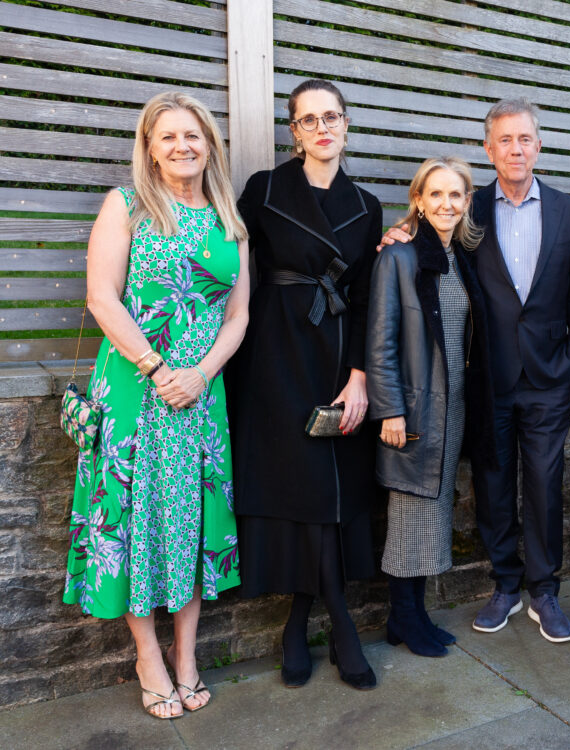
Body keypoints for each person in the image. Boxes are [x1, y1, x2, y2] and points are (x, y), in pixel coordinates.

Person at [380, 98, 570, 643]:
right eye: (505, 140)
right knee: (492, 484)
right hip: (488, 376)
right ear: (489, 148)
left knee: (545, 484)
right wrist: (398, 231)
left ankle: (544, 590)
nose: (515, 149)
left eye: (524, 139)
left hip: (548, 376)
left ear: (538, 145)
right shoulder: (468, 208)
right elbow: (431, 238)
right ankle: (505, 584)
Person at [63, 92, 249, 718]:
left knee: (191, 521)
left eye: (193, 135)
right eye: (167, 136)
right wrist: (159, 369)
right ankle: (148, 656)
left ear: (210, 146)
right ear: (149, 147)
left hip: (201, 395)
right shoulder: (127, 205)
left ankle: (186, 656)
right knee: (133, 517)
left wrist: (200, 374)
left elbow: (239, 315)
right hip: (134, 389)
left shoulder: (230, 219)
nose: (182, 146)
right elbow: (101, 297)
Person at [226, 79, 382, 690]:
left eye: (331, 117)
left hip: (337, 357)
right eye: (309, 119)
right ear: (294, 131)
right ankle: (339, 623)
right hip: (273, 357)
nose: (322, 128)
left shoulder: (367, 204)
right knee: (298, 486)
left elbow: (368, 295)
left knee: (329, 490)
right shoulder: (264, 189)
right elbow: (228, 261)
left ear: (346, 125)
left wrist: (360, 376)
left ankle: (301, 624)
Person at [367, 156, 494, 658]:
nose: (446, 204)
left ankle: (413, 616)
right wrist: (390, 410)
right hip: (415, 408)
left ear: (467, 202)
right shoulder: (398, 257)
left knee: (433, 513)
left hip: (453, 406)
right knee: (409, 514)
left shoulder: (458, 256)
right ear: (418, 200)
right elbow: (381, 341)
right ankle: (403, 616)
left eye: (455, 195)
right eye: (435, 194)